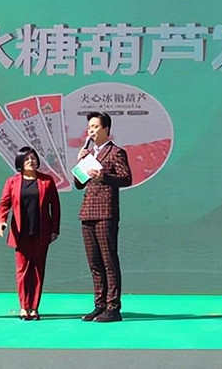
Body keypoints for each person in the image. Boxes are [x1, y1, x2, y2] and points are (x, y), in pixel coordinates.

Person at [74, 111, 132, 322]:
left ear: (106, 129)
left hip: (106, 212)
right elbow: (79, 184)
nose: (91, 130)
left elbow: (126, 179)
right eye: (89, 127)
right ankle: (99, 305)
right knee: (94, 263)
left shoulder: (116, 152)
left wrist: (104, 176)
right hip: (87, 212)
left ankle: (113, 307)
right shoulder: (89, 154)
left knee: (109, 261)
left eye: (95, 126)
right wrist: (80, 162)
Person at [0, 146, 61, 320]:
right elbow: (4, 204)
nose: (31, 161)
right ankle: (24, 307)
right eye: (26, 159)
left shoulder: (47, 181)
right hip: (20, 234)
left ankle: (34, 308)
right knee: (22, 271)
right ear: (20, 162)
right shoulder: (12, 182)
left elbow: (55, 207)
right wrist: (2, 221)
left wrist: (55, 229)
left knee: (38, 271)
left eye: (33, 158)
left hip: (41, 233)